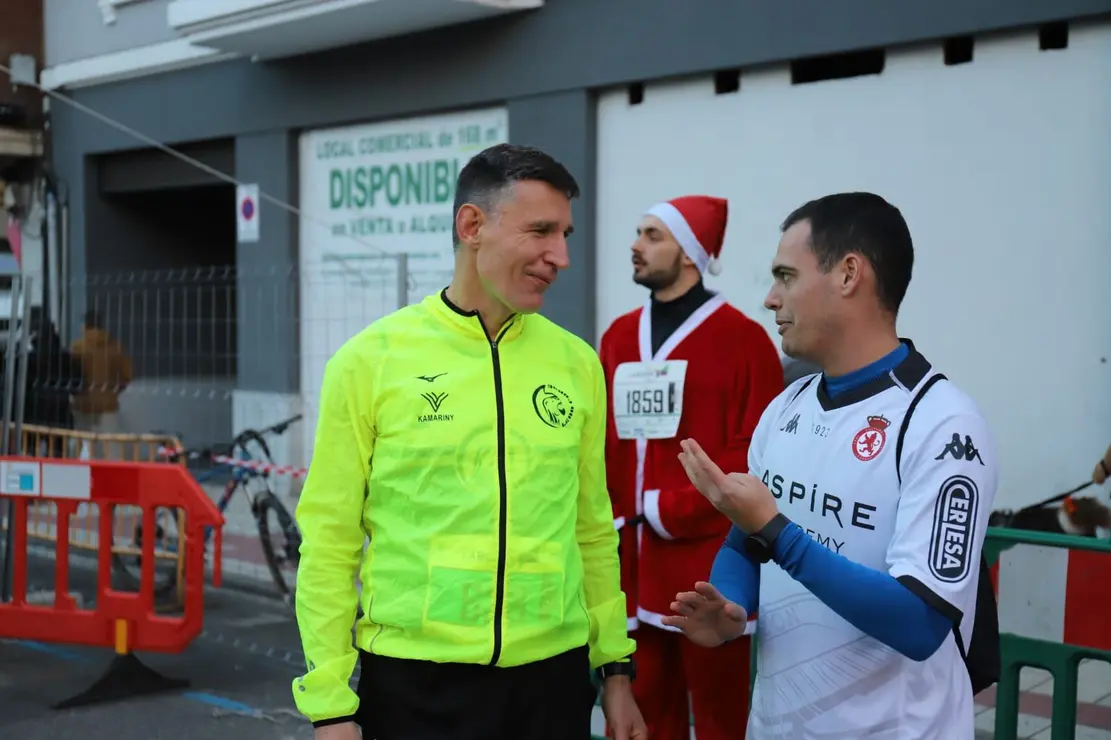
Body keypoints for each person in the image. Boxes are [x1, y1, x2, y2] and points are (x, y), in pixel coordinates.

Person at [292, 143, 646, 740]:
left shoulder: (577, 364)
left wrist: (615, 670)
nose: (559, 256)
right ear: (472, 225)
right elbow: (330, 541)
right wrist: (330, 705)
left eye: (565, 234)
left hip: (553, 685)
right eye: (540, 231)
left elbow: (591, 528)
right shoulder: (370, 361)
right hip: (416, 687)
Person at [664, 192, 999, 739]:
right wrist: (729, 608)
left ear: (848, 274)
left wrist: (777, 532)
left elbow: (919, 623)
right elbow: (743, 545)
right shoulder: (787, 405)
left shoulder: (942, 423)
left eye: (786, 276)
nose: (770, 299)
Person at [599, 195, 782, 740]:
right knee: (647, 717)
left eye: (653, 235)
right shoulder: (616, 336)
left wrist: (663, 506)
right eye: (638, 233)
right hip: (628, 563)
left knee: (722, 719)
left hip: (709, 567)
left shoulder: (745, 340)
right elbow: (601, 439)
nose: (635, 245)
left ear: (691, 253)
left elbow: (754, 450)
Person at [70, 309, 133, 434]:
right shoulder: (115, 346)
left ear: (85, 325)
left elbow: (71, 376)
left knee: (83, 445)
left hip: (83, 404)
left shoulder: (77, 347)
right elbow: (127, 376)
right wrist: (112, 392)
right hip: (107, 405)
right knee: (110, 446)